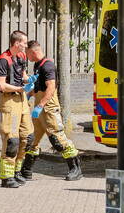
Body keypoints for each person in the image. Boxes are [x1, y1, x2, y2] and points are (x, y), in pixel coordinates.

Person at [19, 40, 82, 181]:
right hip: (39, 108)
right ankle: (26, 170)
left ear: (33, 52)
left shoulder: (48, 66)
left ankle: (75, 169)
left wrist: (40, 105)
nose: (26, 56)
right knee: (31, 139)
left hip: (48, 108)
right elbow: (38, 86)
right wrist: (29, 95)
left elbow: (51, 87)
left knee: (57, 139)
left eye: (27, 53)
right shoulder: (37, 65)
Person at [0, 30, 34, 188]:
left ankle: (17, 171)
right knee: (12, 140)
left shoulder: (22, 56)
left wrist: (30, 79)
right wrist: (19, 89)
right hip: (10, 100)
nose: (26, 46)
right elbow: (2, 85)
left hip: (22, 99)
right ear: (16, 43)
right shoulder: (3, 60)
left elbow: (23, 75)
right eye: (24, 43)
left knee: (28, 137)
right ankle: (7, 176)